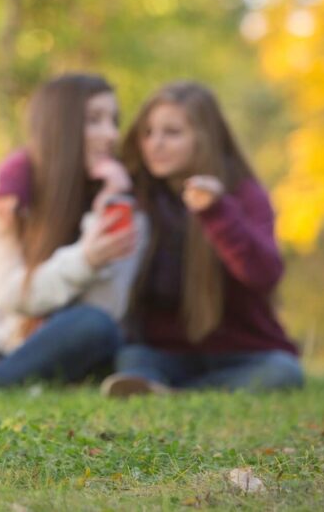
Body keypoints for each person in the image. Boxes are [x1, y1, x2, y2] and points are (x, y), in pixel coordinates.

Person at [101, 81, 303, 396]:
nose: (156, 144)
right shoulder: (136, 195)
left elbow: (264, 275)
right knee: (132, 358)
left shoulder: (244, 194)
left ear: (204, 137)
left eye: (172, 133)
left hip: (243, 351)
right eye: (148, 132)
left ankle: (176, 394)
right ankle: (163, 387)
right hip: (166, 354)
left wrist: (217, 212)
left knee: (283, 372)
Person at [0, 74, 145, 388]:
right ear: (60, 127)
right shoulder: (3, 192)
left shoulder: (126, 207)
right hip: (4, 343)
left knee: (93, 324)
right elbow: (11, 295)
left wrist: (103, 215)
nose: (111, 134)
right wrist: (84, 259)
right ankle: (4, 371)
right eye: (94, 121)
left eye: (114, 121)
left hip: (75, 344)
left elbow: (106, 310)